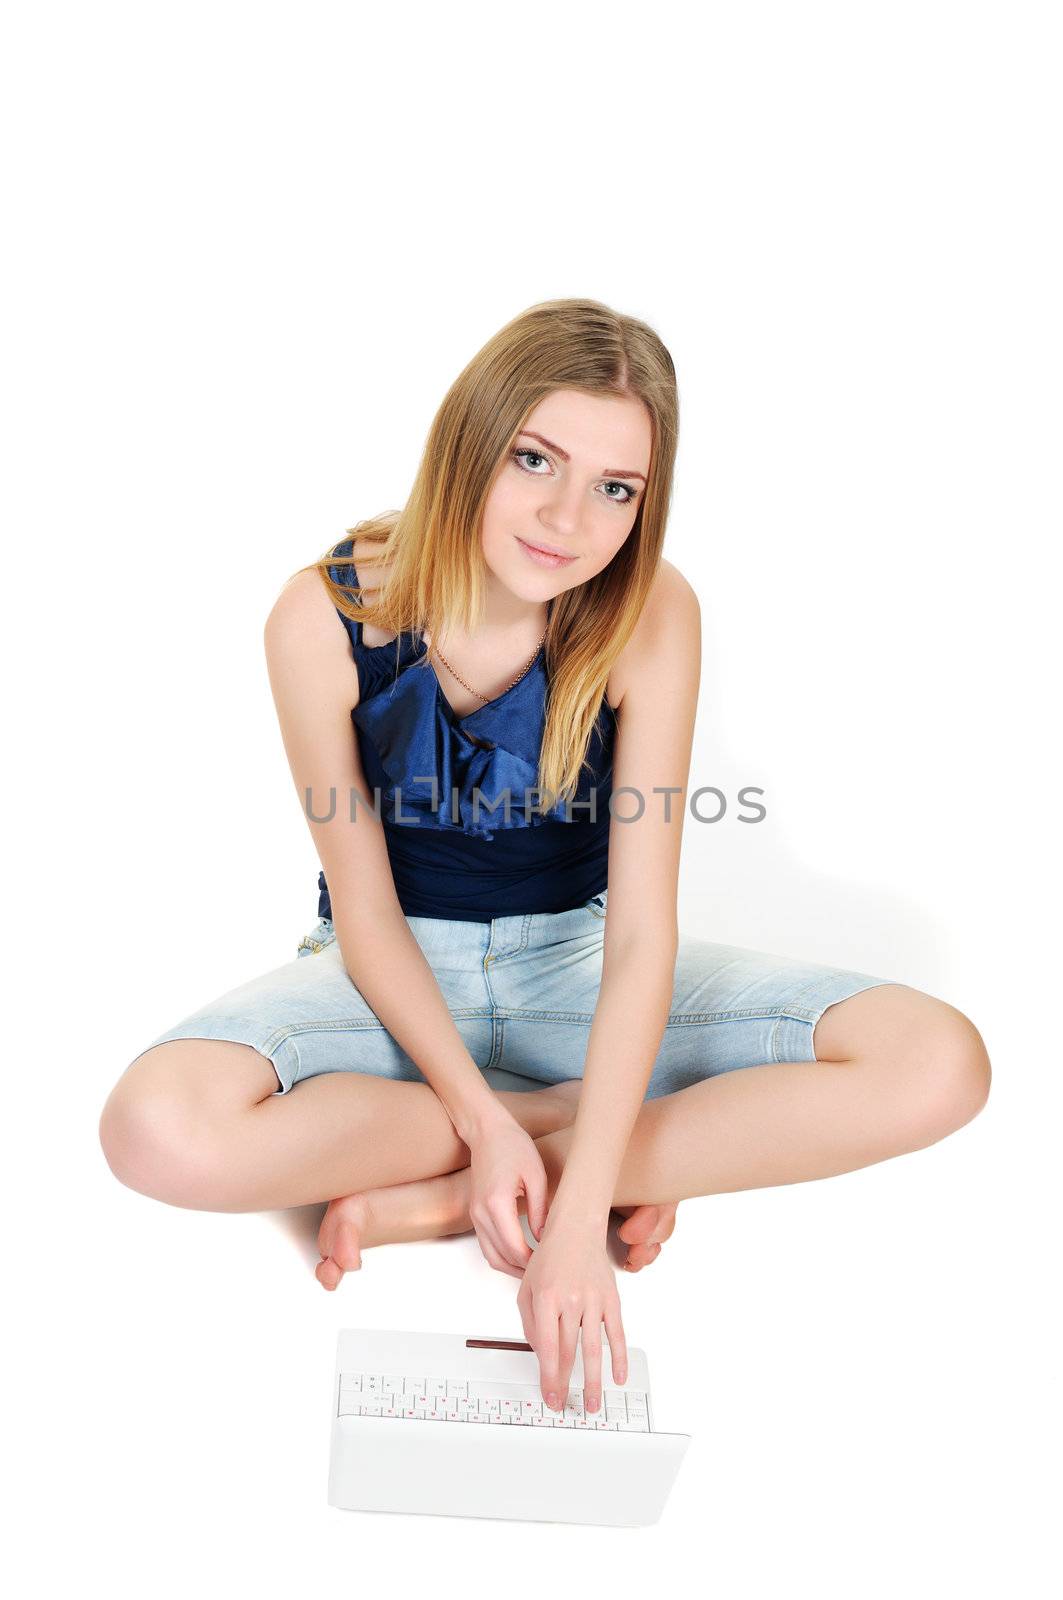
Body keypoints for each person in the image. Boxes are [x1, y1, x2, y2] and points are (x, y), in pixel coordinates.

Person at [98, 296, 992, 1420]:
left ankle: (459, 1189)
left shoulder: (651, 611)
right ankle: (570, 1128)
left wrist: (574, 1229)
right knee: (154, 1131)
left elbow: (642, 933)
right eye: (536, 460)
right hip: (386, 977)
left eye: (616, 489)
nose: (570, 519)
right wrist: (486, 1115)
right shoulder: (319, 615)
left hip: (571, 962)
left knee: (936, 1060)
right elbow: (367, 921)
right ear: (470, 440)